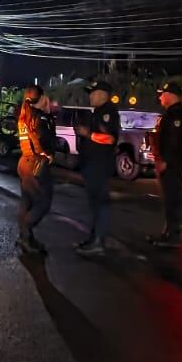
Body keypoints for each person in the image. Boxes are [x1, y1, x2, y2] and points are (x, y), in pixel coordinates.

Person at [74, 81, 119, 255]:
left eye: (93, 93)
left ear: (102, 94)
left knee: (100, 204)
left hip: (99, 166)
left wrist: (88, 134)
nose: (90, 96)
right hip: (92, 165)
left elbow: (109, 139)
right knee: (94, 205)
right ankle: (94, 239)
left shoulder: (108, 112)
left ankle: (98, 241)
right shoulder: (99, 112)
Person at [14, 85, 54, 255]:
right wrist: (46, 154)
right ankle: (25, 233)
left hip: (24, 161)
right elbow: (40, 139)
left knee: (27, 200)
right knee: (43, 203)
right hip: (36, 164)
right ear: (42, 99)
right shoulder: (38, 117)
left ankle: (26, 237)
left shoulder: (24, 115)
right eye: (46, 97)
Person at [150, 82, 182, 249]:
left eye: (162, 94)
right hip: (169, 162)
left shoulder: (177, 115)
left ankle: (173, 236)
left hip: (172, 164)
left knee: (173, 200)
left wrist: (164, 161)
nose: (160, 97)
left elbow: (173, 141)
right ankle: (168, 232)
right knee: (169, 200)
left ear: (171, 95)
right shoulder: (171, 113)